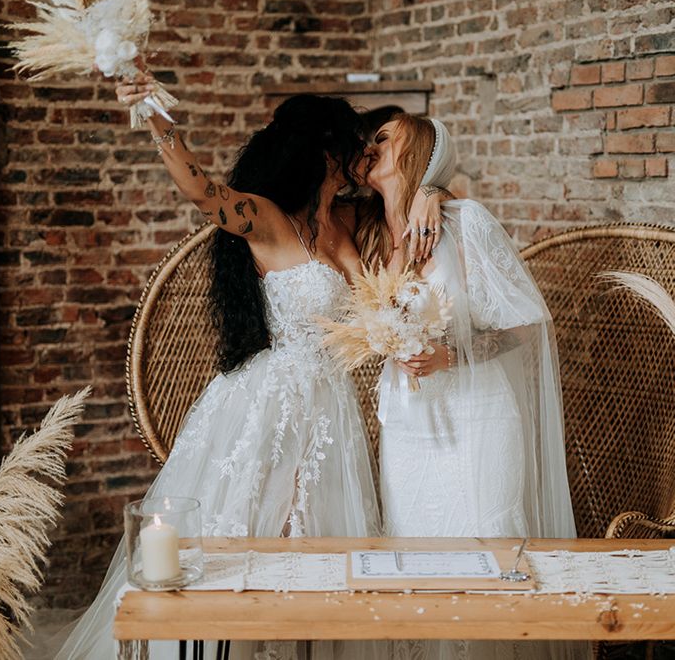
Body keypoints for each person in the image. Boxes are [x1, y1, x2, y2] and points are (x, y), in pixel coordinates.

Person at [52, 83, 435, 658]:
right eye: (350, 145)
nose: (359, 156)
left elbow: (396, 250)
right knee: (252, 545)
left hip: (330, 409)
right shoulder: (268, 218)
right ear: (322, 151)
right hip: (270, 404)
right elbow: (201, 190)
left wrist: (431, 192)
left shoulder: (347, 220)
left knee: (320, 557)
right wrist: (156, 118)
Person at [360, 114, 590, 660]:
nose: (369, 147)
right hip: (410, 435)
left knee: (487, 561)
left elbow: (526, 325)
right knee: (416, 568)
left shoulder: (467, 222)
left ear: (418, 152)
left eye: (384, 138)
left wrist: (450, 356)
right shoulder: (366, 232)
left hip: (480, 422)